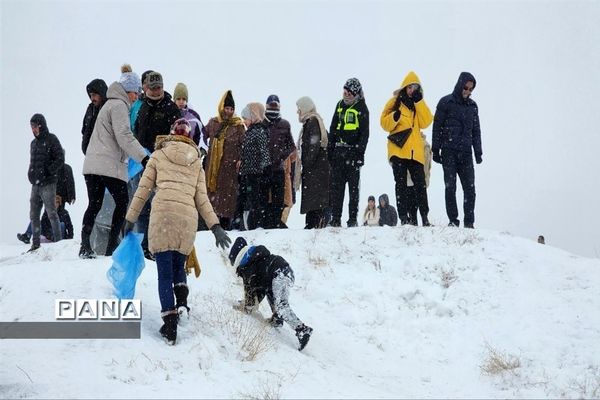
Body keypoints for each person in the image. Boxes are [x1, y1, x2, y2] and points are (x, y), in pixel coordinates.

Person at [124, 118, 231, 346]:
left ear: (171, 134)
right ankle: (182, 303)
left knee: (164, 272)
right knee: (177, 266)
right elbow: (202, 199)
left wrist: (129, 219)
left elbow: (142, 191)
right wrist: (216, 227)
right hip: (186, 220)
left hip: (162, 215)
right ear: (190, 137)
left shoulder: (158, 155)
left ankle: (170, 324)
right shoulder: (196, 161)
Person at [80, 64, 148, 258]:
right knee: (123, 202)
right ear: (129, 91)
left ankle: (85, 246)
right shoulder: (119, 105)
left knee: (94, 203)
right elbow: (124, 136)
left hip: (92, 165)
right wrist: (143, 158)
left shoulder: (108, 104)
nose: (136, 96)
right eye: (135, 92)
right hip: (107, 165)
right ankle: (111, 247)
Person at [228, 237, 313, 351]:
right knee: (269, 290)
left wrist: (245, 306)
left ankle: (302, 330)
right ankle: (277, 319)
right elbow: (260, 290)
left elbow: (251, 297)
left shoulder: (247, 268)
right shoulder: (256, 259)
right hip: (284, 271)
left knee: (281, 305)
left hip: (279, 274)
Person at [132, 71, 181, 259]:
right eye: (152, 88)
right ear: (146, 88)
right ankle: (144, 245)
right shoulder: (142, 106)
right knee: (142, 204)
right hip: (142, 163)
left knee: (160, 206)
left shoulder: (171, 108)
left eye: (158, 87)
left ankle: (159, 244)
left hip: (163, 163)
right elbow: (136, 131)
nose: (155, 91)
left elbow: (177, 138)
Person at [380, 71, 433, 226]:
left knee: (420, 185)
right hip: (398, 149)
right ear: (404, 87)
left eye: (415, 88)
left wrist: (420, 102)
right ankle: (404, 218)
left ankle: (425, 217)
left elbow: (426, 122)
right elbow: (383, 122)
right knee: (400, 184)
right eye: (409, 87)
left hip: (415, 152)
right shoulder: (394, 101)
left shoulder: (418, 104)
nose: (412, 90)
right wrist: (394, 118)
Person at [432, 72, 482, 229]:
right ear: (460, 85)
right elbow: (437, 127)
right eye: (466, 88)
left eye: (471, 89)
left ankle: (469, 223)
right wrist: (435, 149)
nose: (468, 91)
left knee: (470, 189)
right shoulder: (446, 102)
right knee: (450, 186)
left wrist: (478, 151)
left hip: (466, 153)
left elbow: (476, 131)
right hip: (449, 152)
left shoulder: (473, 106)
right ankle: (453, 220)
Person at [328, 78, 370, 227]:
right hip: (338, 153)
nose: (346, 96)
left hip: (353, 153)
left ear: (356, 94)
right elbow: (333, 129)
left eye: (349, 93)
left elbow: (364, 134)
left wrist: (360, 154)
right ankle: (336, 218)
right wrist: (330, 151)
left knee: (353, 190)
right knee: (337, 189)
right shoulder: (339, 105)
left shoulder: (362, 108)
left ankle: (352, 219)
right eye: (344, 92)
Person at [205, 90, 246, 229]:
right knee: (211, 199)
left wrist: (241, 159)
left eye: (231, 109)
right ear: (222, 107)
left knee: (227, 201)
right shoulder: (213, 123)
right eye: (227, 108)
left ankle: (225, 227)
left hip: (230, 170)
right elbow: (202, 137)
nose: (229, 111)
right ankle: (211, 226)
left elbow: (244, 145)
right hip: (213, 170)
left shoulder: (238, 125)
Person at [26, 113, 64, 252]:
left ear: (41, 125)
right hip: (35, 184)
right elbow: (32, 162)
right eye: (31, 127)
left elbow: (60, 158)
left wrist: (49, 171)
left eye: (35, 126)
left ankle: (59, 245)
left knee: (51, 213)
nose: (33, 129)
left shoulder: (51, 139)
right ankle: (35, 245)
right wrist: (30, 173)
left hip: (48, 183)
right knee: (33, 214)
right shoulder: (33, 143)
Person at [18, 155, 75, 243]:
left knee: (60, 216)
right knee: (46, 215)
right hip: (49, 193)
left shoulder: (66, 168)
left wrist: (72, 195)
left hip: (61, 195)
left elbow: (71, 182)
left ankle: (57, 237)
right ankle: (28, 235)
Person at [295, 96, 330, 229]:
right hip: (316, 170)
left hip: (315, 170)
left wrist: (306, 163)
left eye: (299, 109)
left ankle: (313, 225)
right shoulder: (311, 122)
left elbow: (313, 146)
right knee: (315, 201)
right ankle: (313, 224)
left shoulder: (312, 122)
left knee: (316, 202)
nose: (298, 112)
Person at [264, 94, 296, 228]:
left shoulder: (285, 124)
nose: (273, 107)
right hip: (264, 169)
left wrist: (282, 157)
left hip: (279, 168)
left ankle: (277, 223)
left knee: (278, 198)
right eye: (271, 105)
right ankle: (266, 223)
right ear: (266, 106)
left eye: (275, 105)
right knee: (265, 198)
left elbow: (292, 146)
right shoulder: (261, 124)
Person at [239, 103, 271, 230]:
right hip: (248, 173)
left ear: (253, 117)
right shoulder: (250, 132)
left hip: (256, 173)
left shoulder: (259, 131)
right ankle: (249, 225)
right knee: (249, 200)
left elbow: (264, 152)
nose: (244, 122)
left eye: (245, 119)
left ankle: (256, 225)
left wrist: (264, 169)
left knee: (255, 201)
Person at [173, 82, 208, 154]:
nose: (181, 102)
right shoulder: (169, 113)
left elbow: (202, 133)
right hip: (171, 153)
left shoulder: (194, 115)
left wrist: (202, 149)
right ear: (174, 99)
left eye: (184, 99)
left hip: (189, 154)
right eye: (178, 99)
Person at [406, 133, 432, 226]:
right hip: (420, 177)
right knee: (421, 199)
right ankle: (424, 220)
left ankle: (414, 221)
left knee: (412, 202)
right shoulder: (426, 144)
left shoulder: (418, 143)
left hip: (412, 178)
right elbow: (427, 165)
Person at [81, 78, 107, 155]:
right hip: (90, 154)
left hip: (105, 155)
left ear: (101, 94)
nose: (92, 98)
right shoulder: (90, 109)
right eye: (91, 95)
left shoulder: (108, 108)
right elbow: (84, 130)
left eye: (94, 95)